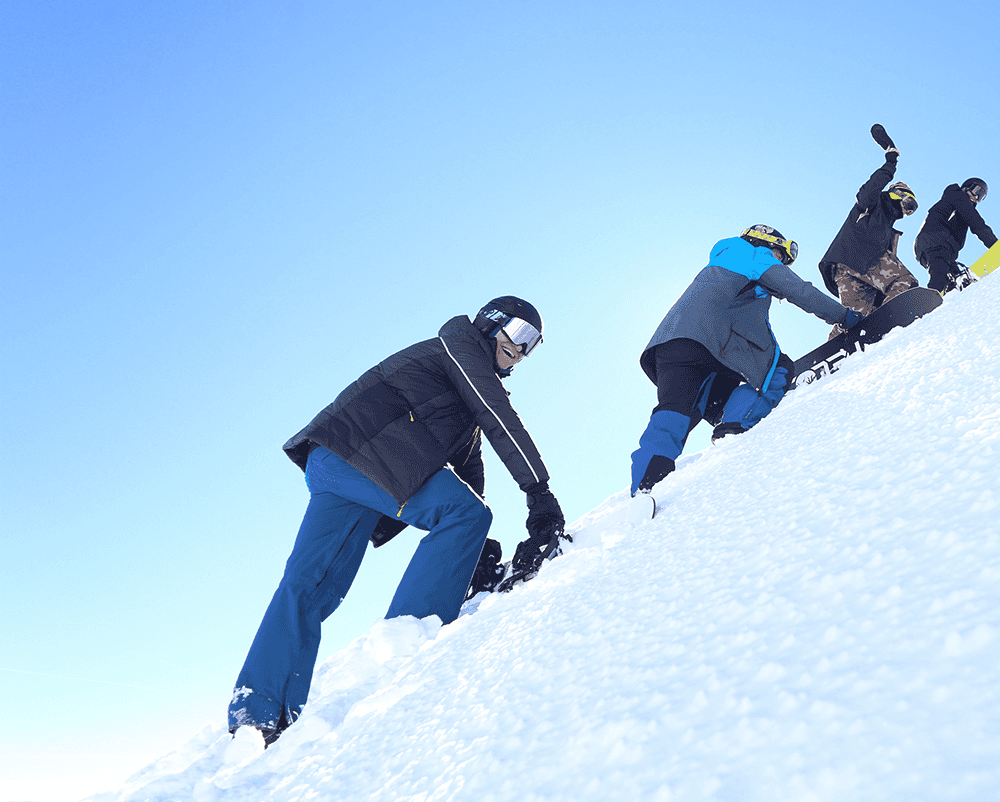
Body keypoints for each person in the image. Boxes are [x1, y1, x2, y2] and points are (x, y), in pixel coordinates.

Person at [228, 296, 565, 746]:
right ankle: (408, 645)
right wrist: (538, 492)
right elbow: (497, 416)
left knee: (310, 585)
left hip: (334, 461)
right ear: (491, 323)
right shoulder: (458, 350)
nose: (522, 351)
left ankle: (259, 713)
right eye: (520, 335)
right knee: (465, 514)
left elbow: (468, 467)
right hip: (367, 457)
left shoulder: (459, 383)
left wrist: (475, 551)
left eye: (534, 345)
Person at [630, 226, 861, 498]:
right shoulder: (756, 256)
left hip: (671, 347)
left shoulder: (722, 265)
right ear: (766, 243)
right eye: (781, 254)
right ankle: (734, 428)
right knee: (780, 370)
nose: (781, 262)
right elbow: (800, 291)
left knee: (676, 409)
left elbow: (746, 318)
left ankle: (646, 487)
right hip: (713, 346)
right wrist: (845, 317)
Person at [818, 145, 920, 338]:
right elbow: (871, 187)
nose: (907, 212)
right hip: (862, 254)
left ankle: (836, 347)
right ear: (897, 194)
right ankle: (888, 322)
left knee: (857, 317)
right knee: (905, 282)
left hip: (842, 268)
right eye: (909, 205)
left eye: (912, 210)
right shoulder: (873, 203)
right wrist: (891, 163)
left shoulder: (888, 229)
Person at [913, 179, 994, 293]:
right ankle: (930, 300)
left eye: (981, 196)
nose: (976, 198)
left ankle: (947, 300)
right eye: (977, 191)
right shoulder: (958, 196)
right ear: (967, 187)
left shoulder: (962, 208)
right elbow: (977, 224)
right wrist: (995, 245)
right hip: (936, 242)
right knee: (939, 275)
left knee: (954, 281)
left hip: (941, 248)